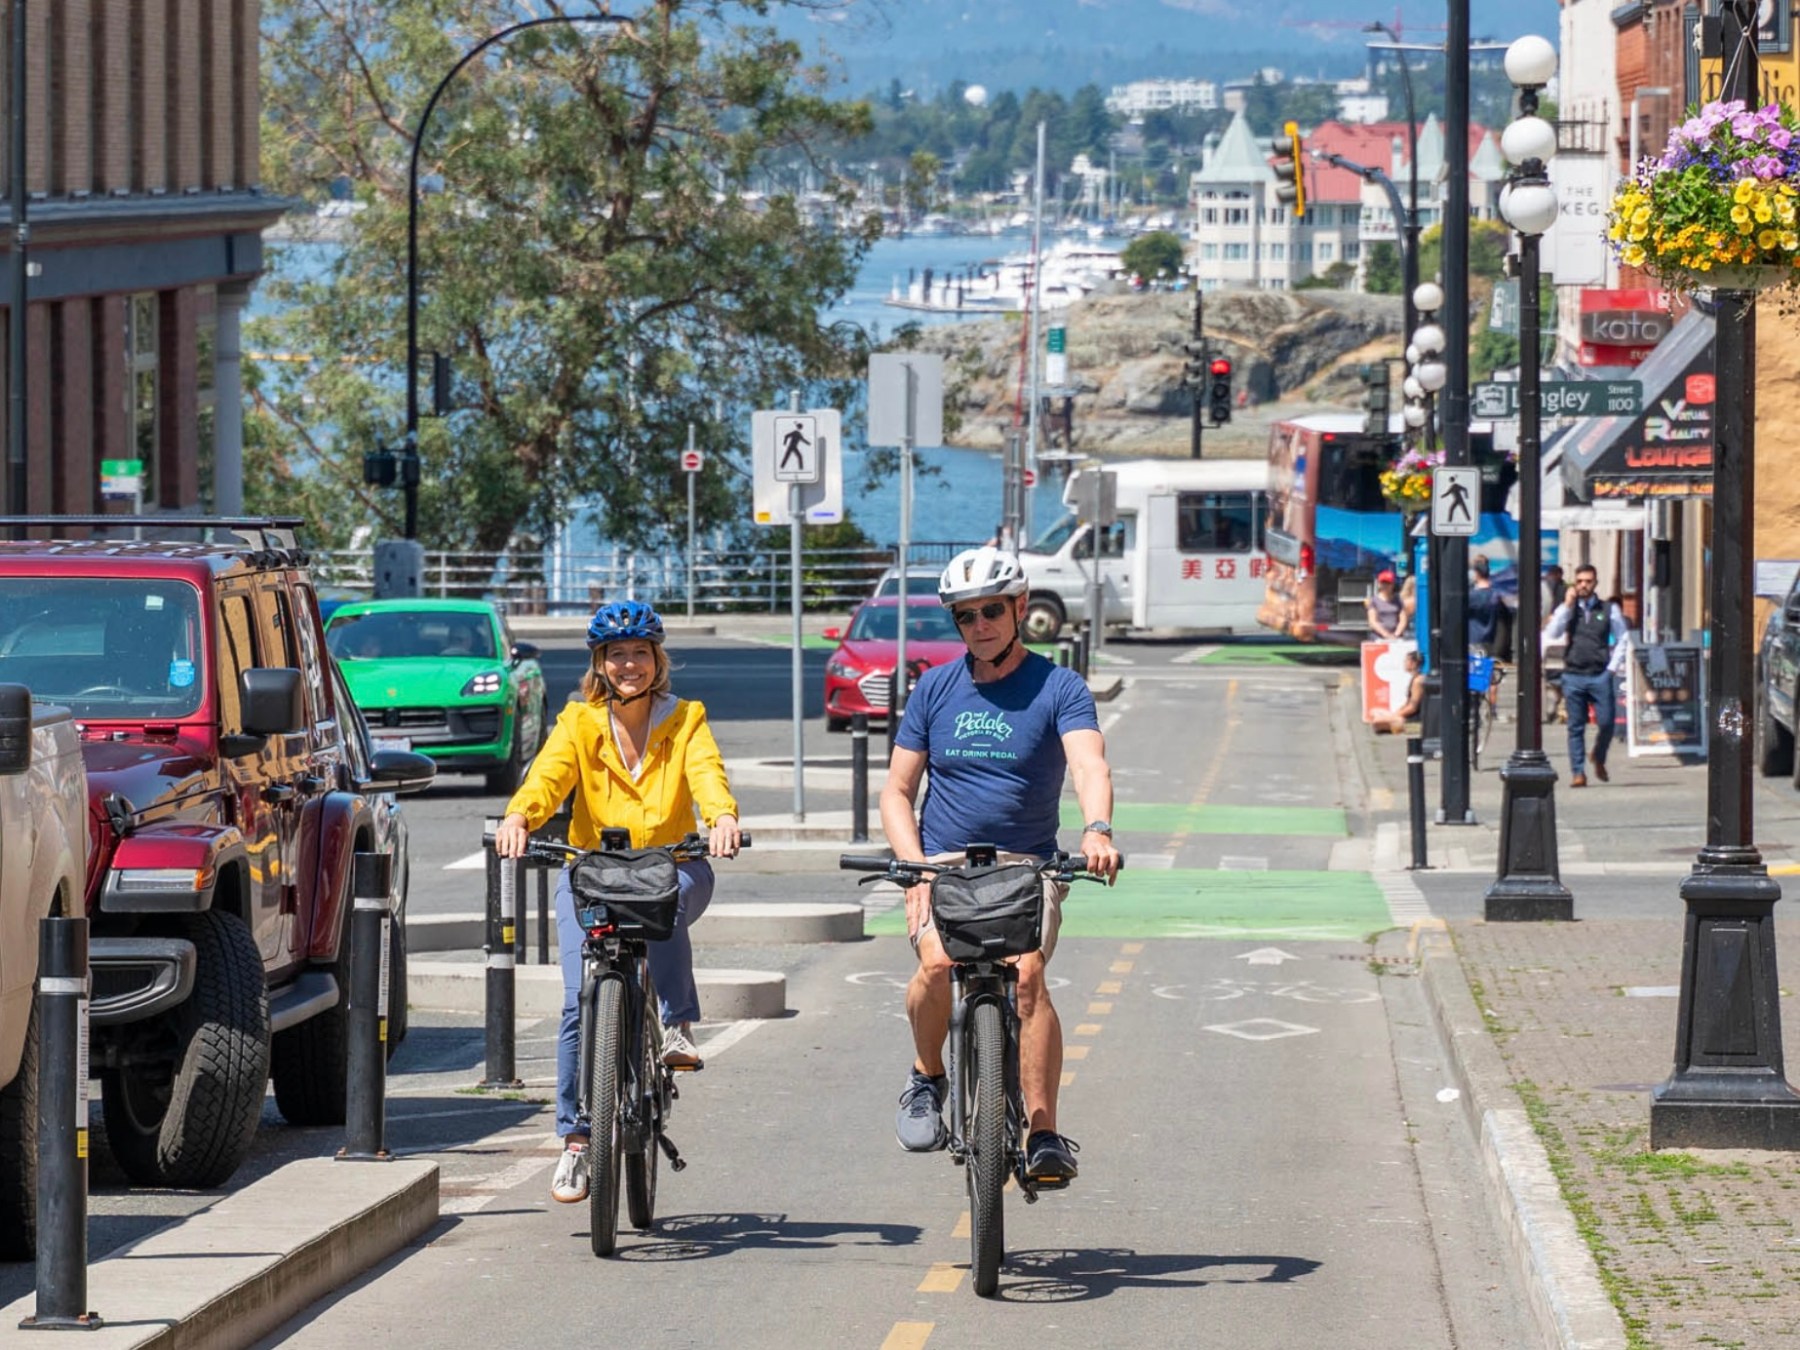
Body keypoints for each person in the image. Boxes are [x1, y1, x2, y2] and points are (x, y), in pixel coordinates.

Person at [881, 546, 1121, 1186]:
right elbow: (897, 792)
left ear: (1019, 608)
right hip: (942, 867)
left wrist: (1097, 828)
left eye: (991, 610)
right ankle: (928, 1076)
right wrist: (914, 869)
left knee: (1027, 977)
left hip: (1026, 866)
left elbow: (1088, 764)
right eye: (965, 616)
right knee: (936, 965)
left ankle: (1043, 1132)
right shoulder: (935, 688)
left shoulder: (1059, 686)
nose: (979, 624)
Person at [492, 600, 741, 1205]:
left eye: (639, 653)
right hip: (594, 873)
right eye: (615, 655)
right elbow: (547, 777)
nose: (628, 664)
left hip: (672, 866)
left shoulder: (686, 720)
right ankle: (576, 1141)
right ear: (599, 665)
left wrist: (722, 817)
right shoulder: (579, 722)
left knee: (665, 904)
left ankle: (677, 1026)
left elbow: (708, 774)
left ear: (657, 661)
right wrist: (520, 817)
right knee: (581, 1000)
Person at [1543, 564, 1630, 787]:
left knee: (1607, 722)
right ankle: (1578, 772)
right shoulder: (1569, 609)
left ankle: (1598, 756)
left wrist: (1612, 667)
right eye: (1579, 581)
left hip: (1600, 674)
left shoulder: (1609, 609)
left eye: (1588, 581)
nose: (1583, 585)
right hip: (1573, 674)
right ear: (1574, 583)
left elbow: (1623, 637)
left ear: (1595, 583)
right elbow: (1553, 633)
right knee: (1576, 726)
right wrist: (1567, 605)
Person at [1375, 649, 1426, 734]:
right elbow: (1407, 703)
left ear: (1413, 663)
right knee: (1375, 712)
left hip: (1416, 721)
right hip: (1407, 717)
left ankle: (1405, 728)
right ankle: (1394, 726)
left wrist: (1396, 715)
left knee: (1377, 722)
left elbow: (1412, 707)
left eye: (1406, 661)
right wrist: (1395, 713)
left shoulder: (1418, 681)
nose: (1404, 663)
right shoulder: (1414, 678)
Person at [1467, 554, 1501, 655]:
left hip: (1474, 641)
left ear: (1476, 573)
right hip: (1489, 640)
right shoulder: (1495, 594)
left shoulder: (1473, 596)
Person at [1365, 570, 1406, 640]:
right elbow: (1372, 622)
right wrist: (1386, 635)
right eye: (1383, 583)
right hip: (1378, 637)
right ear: (1379, 584)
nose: (1385, 586)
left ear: (1393, 584)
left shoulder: (1398, 600)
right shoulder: (1374, 601)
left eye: (1388, 583)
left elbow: (1403, 620)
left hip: (1397, 637)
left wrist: (1396, 634)